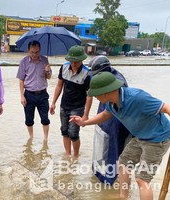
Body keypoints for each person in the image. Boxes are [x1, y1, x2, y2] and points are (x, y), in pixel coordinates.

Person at [70, 72, 170, 200]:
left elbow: (166, 107)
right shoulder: (111, 103)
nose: (94, 97)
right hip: (140, 136)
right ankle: (123, 197)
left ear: (105, 92)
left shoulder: (137, 98)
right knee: (123, 163)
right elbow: (105, 115)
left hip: (158, 139)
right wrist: (84, 122)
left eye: (96, 94)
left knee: (141, 178)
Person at [88, 55, 130, 184]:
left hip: (115, 122)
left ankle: (109, 180)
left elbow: (112, 111)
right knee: (102, 147)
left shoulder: (117, 82)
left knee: (113, 149)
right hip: (105, 117)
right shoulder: (104, 78)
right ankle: (101, 175)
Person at [50, 45, 92, 157]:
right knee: (64, 131)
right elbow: (59, 85)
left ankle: (76, 156)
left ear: (82, 60)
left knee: (73, 133)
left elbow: (89, 96)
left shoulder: (87, 73)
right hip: (64, 106)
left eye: (76, 61)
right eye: (71, 61)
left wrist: (86, 115)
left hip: (77, 108)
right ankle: (68, 155)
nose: (73, 64)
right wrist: (53, 102)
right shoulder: (63, 68)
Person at [16, 40, 52, 140]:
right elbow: (21, 80)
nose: (34, 54)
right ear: (28, 50)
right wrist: (22, 96)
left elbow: (48, 77)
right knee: (29, 119)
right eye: (32, 52)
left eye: (37, 52)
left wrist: (47, 71)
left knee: (45, 119)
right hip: (29, 94)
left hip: (42, 94)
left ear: (39, 50)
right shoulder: (24, 62)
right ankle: (31, 137)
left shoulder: (44, 60)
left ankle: (45, 139)